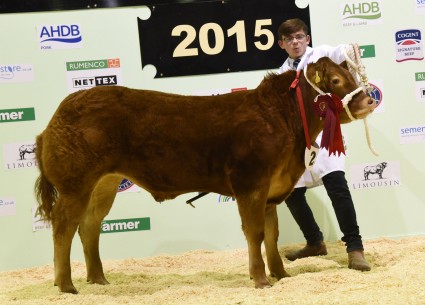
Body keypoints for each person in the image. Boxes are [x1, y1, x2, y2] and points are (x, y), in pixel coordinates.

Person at [277, 18, 371, 271]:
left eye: (299, 37)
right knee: (292, 193)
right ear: (282, 44)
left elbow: (342, 52)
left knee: (337, 187)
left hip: (325, 135)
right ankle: (315, 242)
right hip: (296, 141)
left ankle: (355, 248)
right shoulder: (280, 74)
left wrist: (351, 51)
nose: (295, 42)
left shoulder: (322, 56)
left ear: (307, 39)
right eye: (289, 39)